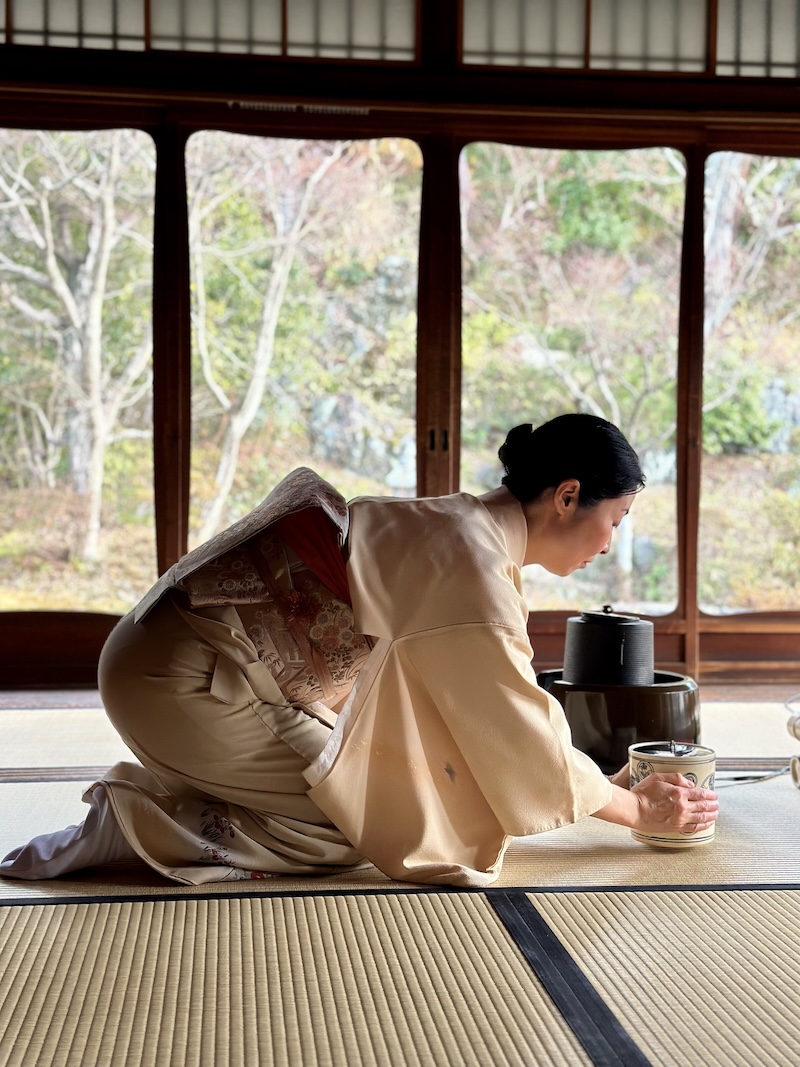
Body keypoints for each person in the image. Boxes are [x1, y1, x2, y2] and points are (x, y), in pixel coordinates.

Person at [1, 413, 718, 886]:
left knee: (381, 792)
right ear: (567, 496)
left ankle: (180, 797)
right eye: (615, 518)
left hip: (180, 656)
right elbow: (519, 735)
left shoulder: (463, 525)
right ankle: (130, 824)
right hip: (184, 680)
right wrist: (637, 812)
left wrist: (605, 783)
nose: (609, 541)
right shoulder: (473, 567)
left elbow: (498, 712)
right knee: (362, 826)